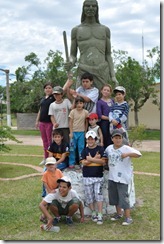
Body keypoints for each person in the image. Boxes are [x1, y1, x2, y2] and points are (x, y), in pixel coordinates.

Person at [64, 0, 118, 89]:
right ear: (83, 8)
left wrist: (113, 76)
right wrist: (70, 62)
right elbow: (73, 55)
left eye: (94, 6)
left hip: (102, 70)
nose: (91, 8)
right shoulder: (76, 30)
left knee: (101, 100)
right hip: (83, 70)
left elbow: (108, 54)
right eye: (87, 6)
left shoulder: (105, 30)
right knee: (81, 100)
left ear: (97, 9)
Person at [104, 129, 142, 226]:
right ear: (112, 139)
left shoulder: (126, 148)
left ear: (122, 139)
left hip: (123, 178)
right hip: (112, 177)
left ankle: (128, 217)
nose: (117, 140)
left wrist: (128, 154)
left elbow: (139, 154)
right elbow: (104, 157)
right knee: (114, 197)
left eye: (119, 138)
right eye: (115, 138)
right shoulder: (109, 148)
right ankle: (118, 214)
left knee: (123, 198)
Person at [79, 130, 107, 225]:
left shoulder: (101, 149)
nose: (90, 141)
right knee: (89, 196)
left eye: (92, 139)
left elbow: (103, 162)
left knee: (98, 195)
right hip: (87, 177)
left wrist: (90, 159)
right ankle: (93, 212)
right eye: (88, 139)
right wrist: (95, 159)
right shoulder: (84, 150)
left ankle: (100, 214)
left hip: (98, 177)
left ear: (95, 139)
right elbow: (84, 162)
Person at [35, 82, 55, 164]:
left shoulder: (53, 97)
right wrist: (37, 121)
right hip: (42, 123)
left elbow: (63, 90)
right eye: (46, 88)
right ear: (44, 90)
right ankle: (45, 158)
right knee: (44, 141)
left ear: (52, 89)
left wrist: (69, 79)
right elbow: (40, 110)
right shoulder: (43, 99)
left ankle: (50, 159)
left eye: (49, 88)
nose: (48, 89)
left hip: (49, 123)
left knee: (50, 141)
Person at [40, 157, 63, 223]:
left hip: (57, 189)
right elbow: (45, 183)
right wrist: (49, 191)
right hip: (49, 190)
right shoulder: (46, 174)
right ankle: (44, 216)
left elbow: (62, 179)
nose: (50, 166)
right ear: (46, 166)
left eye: (52, 164)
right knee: (47, 203)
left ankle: (56, 214)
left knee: (55, 203)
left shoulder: (58, 171)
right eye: (48, 165)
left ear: (55, 165)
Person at [68, 96, 89, 168]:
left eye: (81, 103)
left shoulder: (85, 112)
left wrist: (85, 132)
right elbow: (70, 122)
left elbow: (86, 122)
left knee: (81, 148)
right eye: (77, 103)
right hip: (74, 132)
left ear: (83, 104)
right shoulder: (73, 112)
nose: (79, 105)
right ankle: (72, 162)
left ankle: (81, 162)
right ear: (75, 104)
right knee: (72, 148)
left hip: (81, 133)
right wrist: (71, 132)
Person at [96, 84, 114, 149]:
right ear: (101, 91)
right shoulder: (99, 102)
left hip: (112, 123)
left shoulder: (112, 101)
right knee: (105, 137)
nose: (106, 91)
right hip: (104, 123)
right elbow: (100, 115)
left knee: (112, 137)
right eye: (105, 90)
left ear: (110, 92)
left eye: (108, 90)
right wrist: (110, 118)